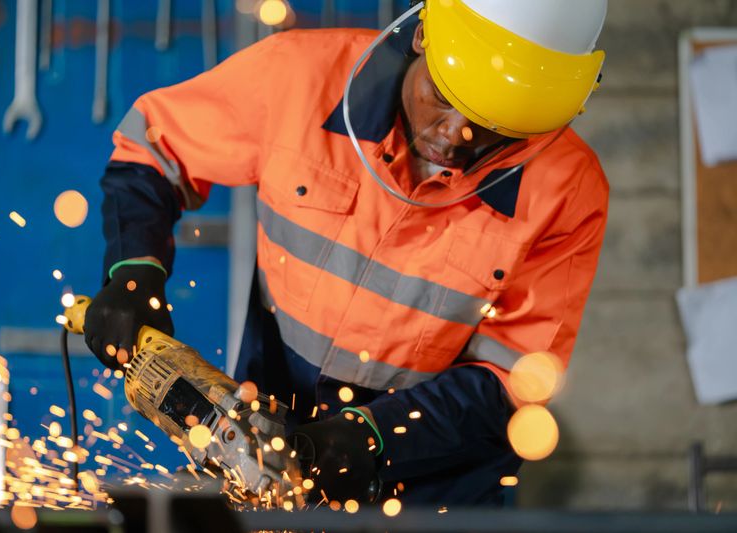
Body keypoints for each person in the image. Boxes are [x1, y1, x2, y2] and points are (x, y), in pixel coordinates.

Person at [84, 0, 609, 506]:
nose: (455, 137)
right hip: (267, 438)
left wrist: (370, 436)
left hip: (430, 484)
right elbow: (156, 144)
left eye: (496, 129)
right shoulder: (301, 78)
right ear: (424, 35)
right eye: (446, 98)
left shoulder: (566, 188)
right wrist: (134, 269)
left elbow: (510, 377)